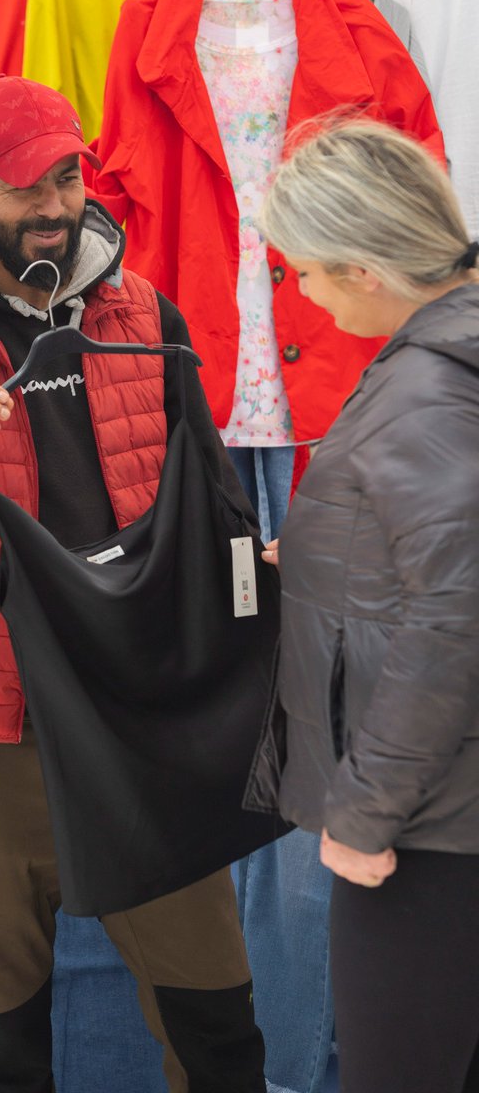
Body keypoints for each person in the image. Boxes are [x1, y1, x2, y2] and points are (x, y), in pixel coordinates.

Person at [0, 75, 270, 1093]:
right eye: (19, 186)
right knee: (3, 1044)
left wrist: (242, 620)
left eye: (63, 174)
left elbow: (214, 505)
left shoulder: (142, 310)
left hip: (141, 721)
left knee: (218, 1027)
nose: (50, 204)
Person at [250, 120, 479, 1093]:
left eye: (302, 271)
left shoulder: (424, 390)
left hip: (428, 827)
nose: (295, 292)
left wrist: (362, 816)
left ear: (362, 270)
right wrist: (310, 553)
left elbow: (454, 611)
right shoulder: (444, 361)